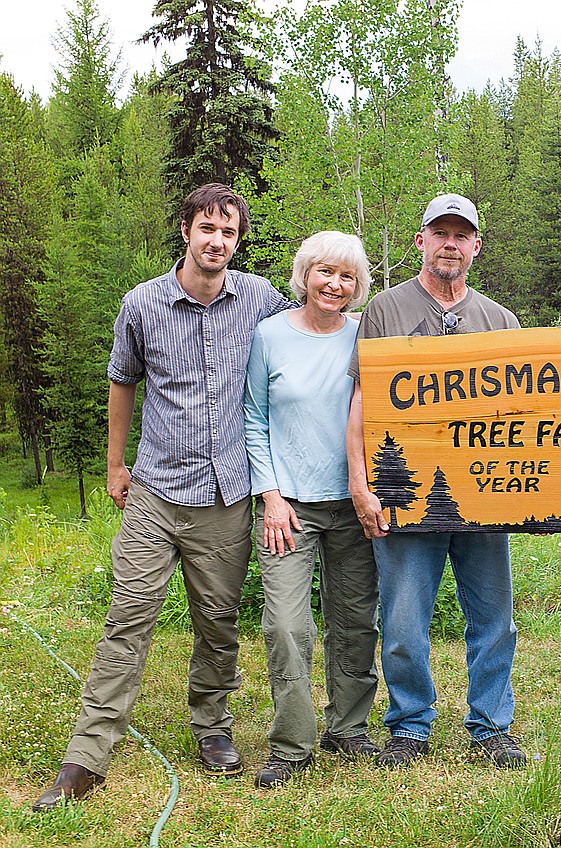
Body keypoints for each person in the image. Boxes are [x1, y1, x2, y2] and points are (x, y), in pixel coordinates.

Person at [33, 184, 296, 811]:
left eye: (229, 233)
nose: (218, 242)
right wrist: (116, 463)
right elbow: (122, 384)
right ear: (186, 230)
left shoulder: (259, 298)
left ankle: (212, 727)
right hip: (154, 490)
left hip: (226, 495)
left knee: (218, 624)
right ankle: (87, 756)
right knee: (128, 620)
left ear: (239, 239)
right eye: (208, 228)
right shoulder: (142, 304)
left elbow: (306, 330)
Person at [345, 193, 526, 769]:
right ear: (420, 240)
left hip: (484, 497)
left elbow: (525, 415)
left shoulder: (500, 321)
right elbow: (361, 400)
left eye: (461, 234)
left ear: (476, 245)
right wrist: (359, 485)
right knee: (402, 619)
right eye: (439, 233)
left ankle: (491, 725)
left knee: (494, 616)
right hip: (403, 494)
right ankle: (408, 725)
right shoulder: (385, 310)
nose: (450, 243)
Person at [243, 231, 379, 788]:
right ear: (304, 275)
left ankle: (348, 727)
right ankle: (293, 743)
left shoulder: (365, 336)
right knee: (285, 625)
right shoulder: (269, 335)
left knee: (354, 621)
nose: (335, 285)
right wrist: (269, 494)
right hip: (288, 506)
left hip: (354, 504)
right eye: (325, 272)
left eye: (347, 276)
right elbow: (253, 417)